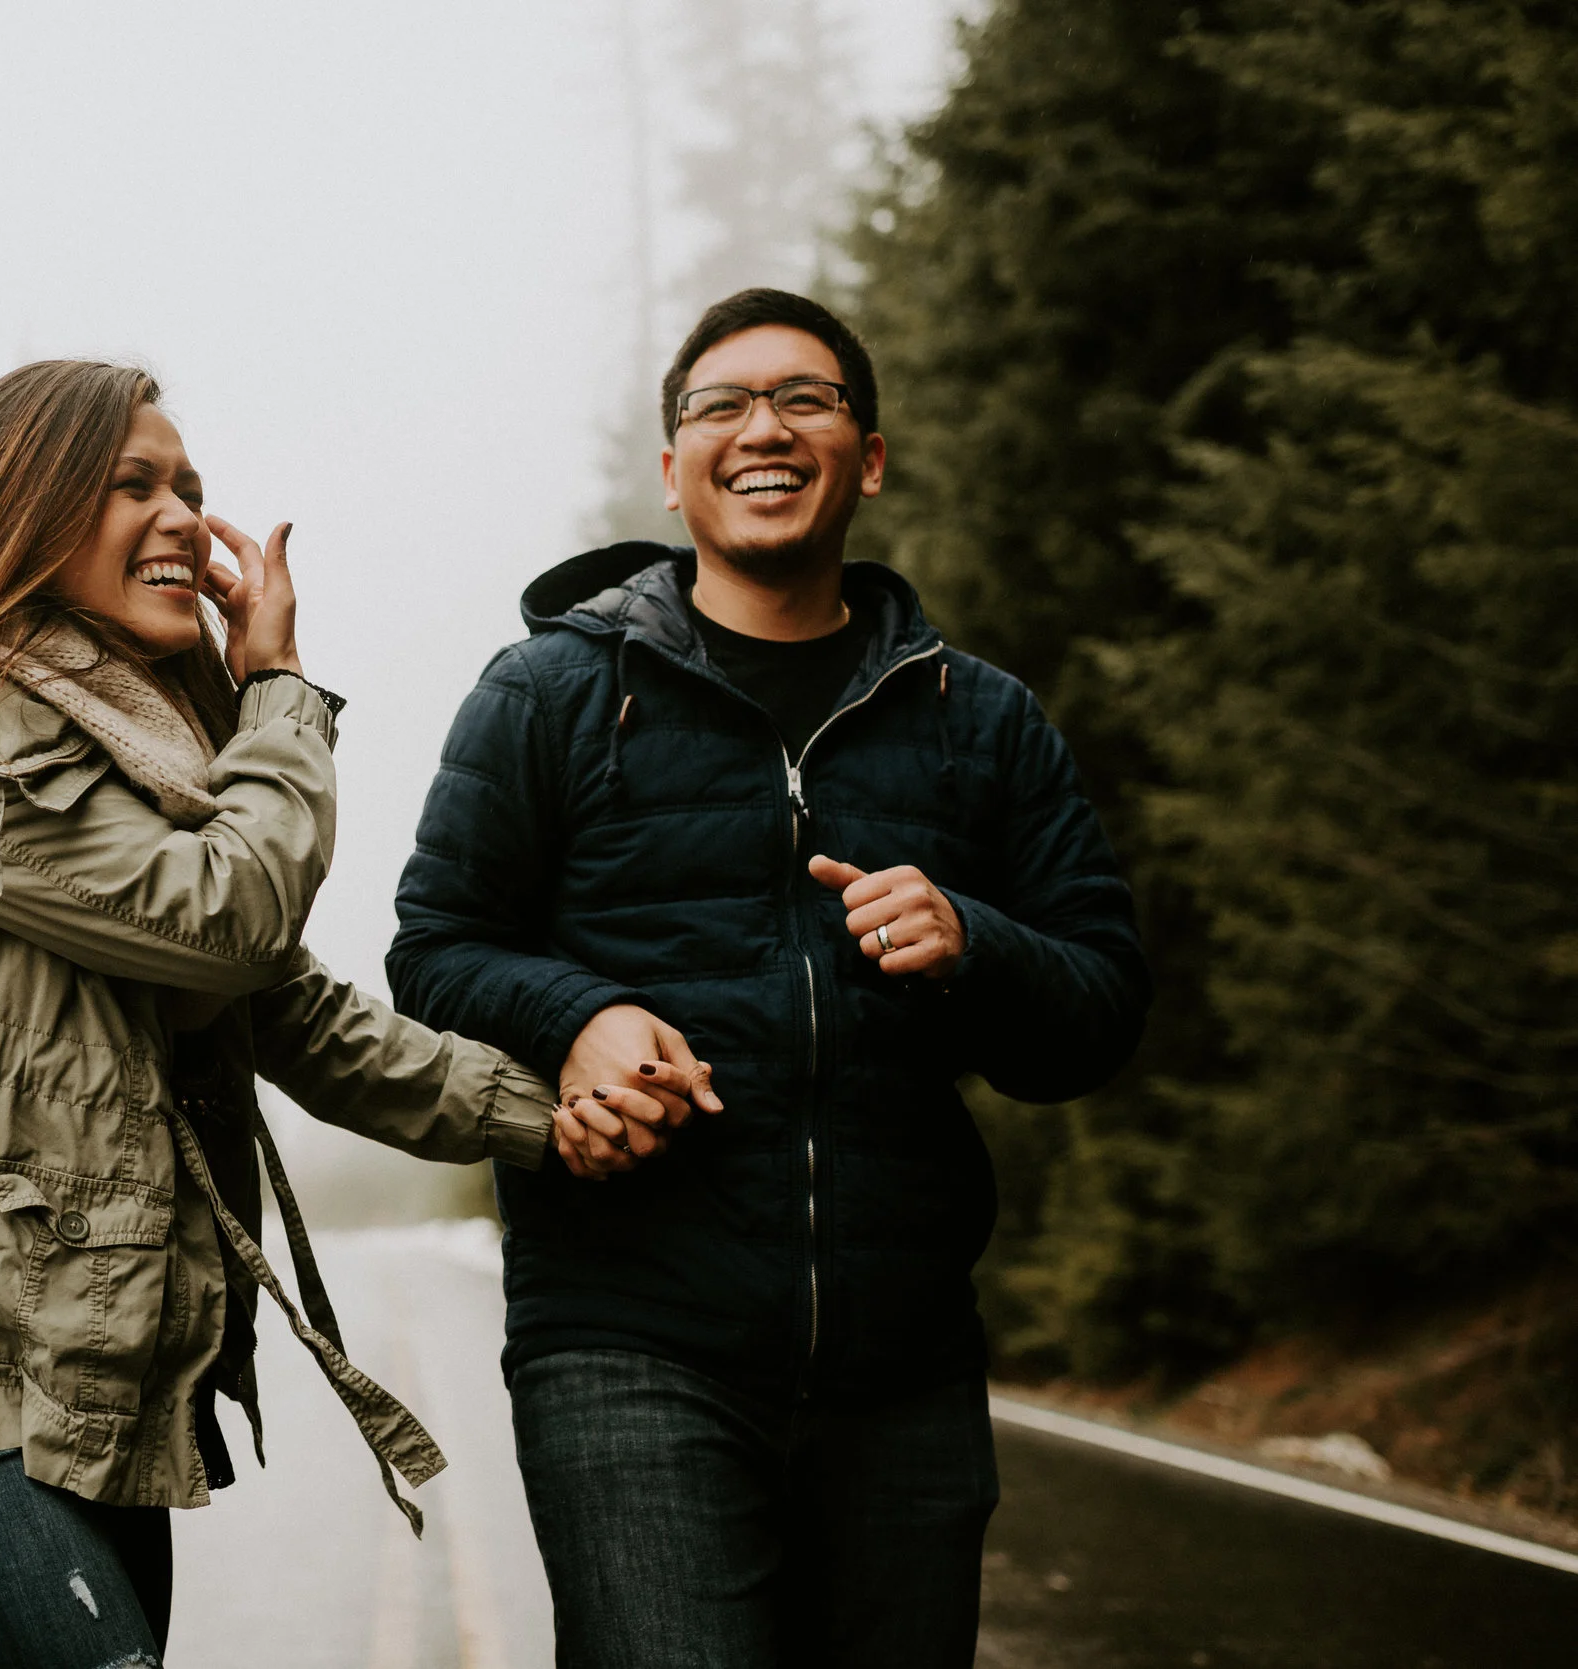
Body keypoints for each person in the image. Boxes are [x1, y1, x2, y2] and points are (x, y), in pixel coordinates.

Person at [0, 359, 700, 1668]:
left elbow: (288, 1008)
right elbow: (232, 918)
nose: (183, 516)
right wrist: (280, 688)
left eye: (190, 487)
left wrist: (554, 1118)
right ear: (17, 510)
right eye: (129, 484)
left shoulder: (123, 743)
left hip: (69, 1371)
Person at [388, 289, 1152, 1666]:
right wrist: (584, 1015)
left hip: (905, 1365)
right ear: (673, 470)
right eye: (722, 405)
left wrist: (975, 945)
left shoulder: (976, 718)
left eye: (808, 398)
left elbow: (1096, 1012)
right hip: (628, 1340)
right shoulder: (549, 694)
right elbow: (433, 950)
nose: (766, 428)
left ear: (868, 457)